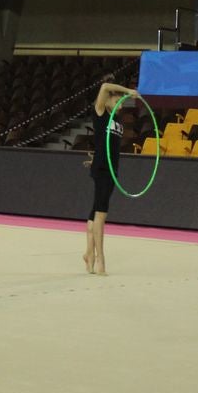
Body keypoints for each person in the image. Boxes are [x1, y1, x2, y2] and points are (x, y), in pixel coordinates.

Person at [82, 78, 139, 276]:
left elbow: (106, 143)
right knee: (101, 213)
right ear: (107, 100)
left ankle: (89, 253)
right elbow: (105, 87)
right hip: (103, 169)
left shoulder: (116, 120)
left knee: (94, 212)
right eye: (117, 99)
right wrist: (129, 91)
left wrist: (96, 156)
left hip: (111, 168)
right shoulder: (100, 112)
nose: (120, 103)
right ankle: (100, 259)